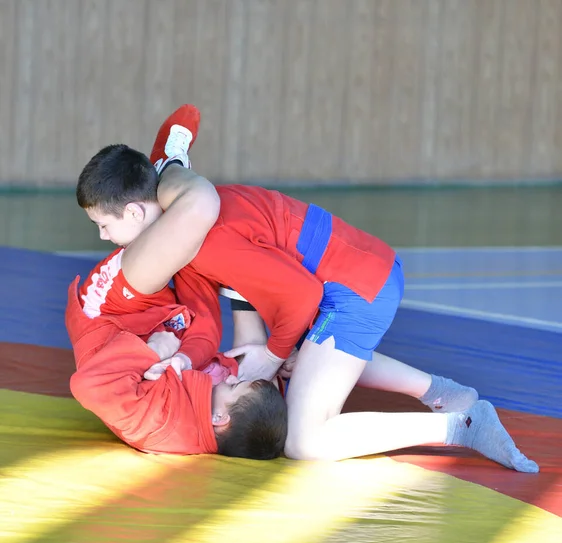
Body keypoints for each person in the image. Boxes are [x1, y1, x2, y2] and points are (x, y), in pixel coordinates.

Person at [74, 105, 539, 472]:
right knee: (279, 360)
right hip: (349, 268)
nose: (102, 239)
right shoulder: (183, 215)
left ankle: (461, 426)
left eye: (103, 225)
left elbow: (301, 298)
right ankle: (447, 392)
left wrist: (273, 353)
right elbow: (220, 307)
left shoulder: (202, 242)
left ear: (136, 213)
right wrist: (198, 355)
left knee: (302, 438)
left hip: (355, 284)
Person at [65, 271, 287, 459]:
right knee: (207, 323)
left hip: (106, 316)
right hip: (155, 318)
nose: (231, 379)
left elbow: (88, 386)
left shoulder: (159, 422)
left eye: (233, 386)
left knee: (186, 231)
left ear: (220, 418)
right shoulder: (210, 411)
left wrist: (154, 351)